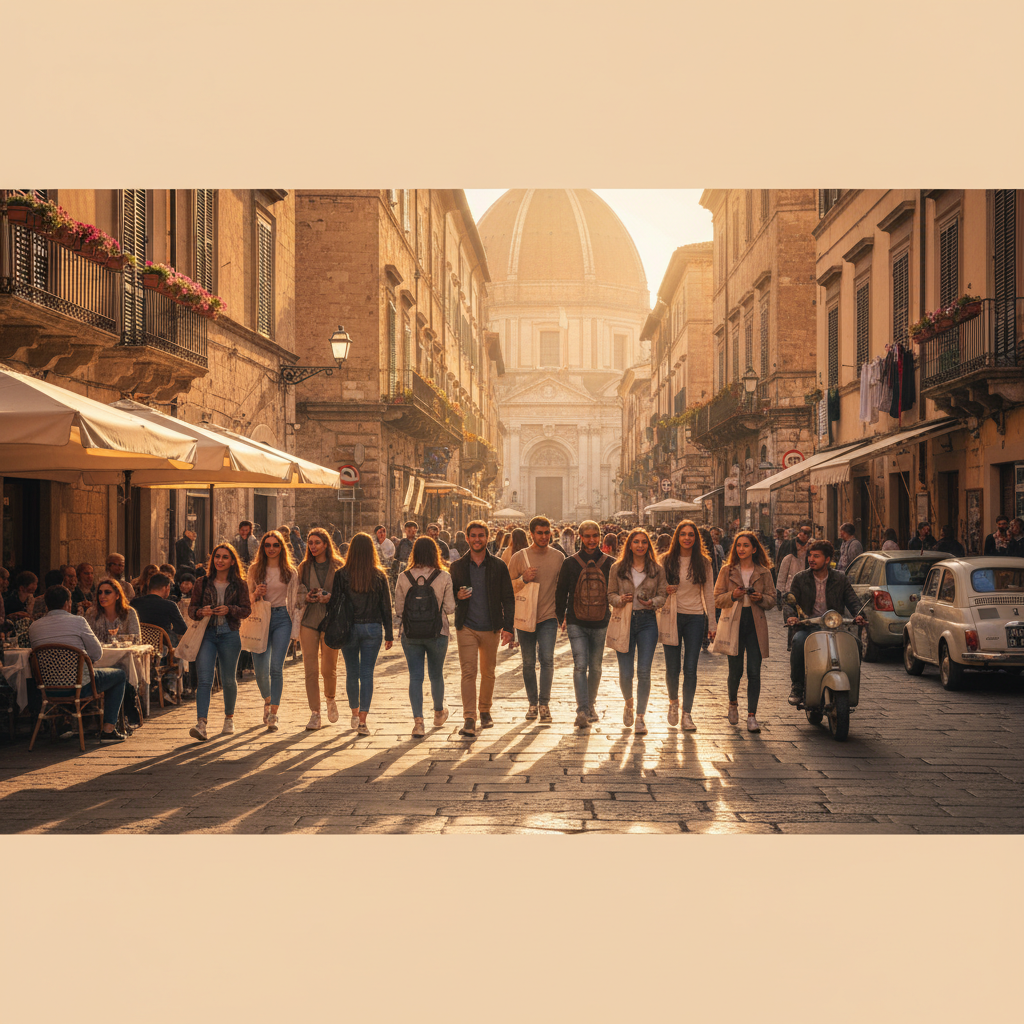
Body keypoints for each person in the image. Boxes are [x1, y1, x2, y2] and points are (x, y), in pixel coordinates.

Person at [29, 585, 128, 743]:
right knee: (120, 674)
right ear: (67, 603)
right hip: (80, 686)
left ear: (47, 605)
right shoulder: (78, 621)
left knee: (88, 675)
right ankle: (108, 730)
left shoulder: (34, 627)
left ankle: (70, 724)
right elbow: (97, 653)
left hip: (47, 689)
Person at [450, 520, 516, 737]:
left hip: (491, 627)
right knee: (468, 672)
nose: (477, 539)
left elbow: (508, 598)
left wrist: (509, 627)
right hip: (466, 626)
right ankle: (469, 717)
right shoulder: (457, 567)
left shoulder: (498, 566)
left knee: (488, 672)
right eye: (473, 536)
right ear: (467, 538)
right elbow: (448, 597)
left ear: (487, 538)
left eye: (481, 535)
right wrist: (457, 596)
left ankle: (485, 710)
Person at [325, 532, 393, 735]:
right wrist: (389, 633)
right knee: (367, 673)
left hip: (349, 628)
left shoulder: (342, 575)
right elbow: (386, 606)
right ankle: (363, 720)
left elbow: (335, 604)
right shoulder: (379, 575)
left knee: (352, 672)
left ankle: (354, 713)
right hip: (372, 628)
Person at [786, 539, 867, 706]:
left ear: (828, 559)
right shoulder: (800, 578)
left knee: (856, 644)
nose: (811, 559)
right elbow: (790, 602)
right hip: (808, 626)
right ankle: (797, 686)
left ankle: (851, 683)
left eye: (816, 556)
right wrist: (792, 616)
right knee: (798, 642)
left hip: (834, 627)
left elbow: (852, 599)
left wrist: (859, 614)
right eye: (810, 555)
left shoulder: (840, 578)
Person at [186, 543, 252, 742]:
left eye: (224, 557)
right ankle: (201, 724)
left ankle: (229, 718)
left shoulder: (239, 584)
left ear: (232, 561)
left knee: (228, 679)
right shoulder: (202, 582)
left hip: (229, 633)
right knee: (205, 679)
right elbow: (192, 609)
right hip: (206, 634)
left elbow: (246, 610)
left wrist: (230, 609)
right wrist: (201, 611)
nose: (220, 560)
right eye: (217, 556)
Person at [713, 530, 776, 733]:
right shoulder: (727, 571)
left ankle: (752, 716)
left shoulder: (764, 572)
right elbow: (717, 599)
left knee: (754, 671)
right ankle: (733, 703)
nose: (741, 549)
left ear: (754, 549)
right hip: (735, 623)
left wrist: (761, 598)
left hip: (755, 624)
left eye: (746, 545)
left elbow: (772, 599)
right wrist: (733, 595)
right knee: (736, 670)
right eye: (738, 545)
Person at [607, 528, 667, 735]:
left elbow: (663, 595)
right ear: (629, 545)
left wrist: (653, 602)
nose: (640, 545)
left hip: (647, 621)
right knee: (626, 672)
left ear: (648, 545)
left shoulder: (656, 569)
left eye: (644, 542)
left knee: (643, 671)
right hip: (624, 621)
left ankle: (640, 716)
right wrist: (619, 599)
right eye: (636, 542)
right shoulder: (617, 568)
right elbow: (610, 594)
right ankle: (629, 703)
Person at [394, 536, 454, 738]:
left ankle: (418, 723)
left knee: (415, 676)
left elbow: (399, 610)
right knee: (436, 674)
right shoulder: (443, 576)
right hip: (438, 632)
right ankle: (438, 712)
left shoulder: (403, 577)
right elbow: (450, 608)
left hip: (411, 633)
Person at [508, 516, 566, 722]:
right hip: (525, 616)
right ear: (531, 534)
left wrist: (563, 614)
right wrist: (523, 579)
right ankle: (532, 703)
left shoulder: (559, 557)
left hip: (548, 617)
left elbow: (563, 588)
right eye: (539, 533)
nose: (543, 536)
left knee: (547, 660)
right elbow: (507, 588)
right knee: (528, 662)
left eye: (547, 532)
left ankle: (544, 704)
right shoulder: (519, 557)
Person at [555, 519, 612, 729]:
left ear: (600, 537)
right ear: (580, 537)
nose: (591, 540)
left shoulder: (610, 563)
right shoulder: (569, 563)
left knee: (595, 666)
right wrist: (560, 617)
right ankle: (582, 709)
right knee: (580, 665)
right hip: (576, 621)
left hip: (601, 621)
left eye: (595, 536)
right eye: (587, 536)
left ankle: (590, 705)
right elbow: (561, 591)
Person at [661, 520, 716, 732]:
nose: (687, 538)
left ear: (696, 538)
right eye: (683, 534)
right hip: (671, 616)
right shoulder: (666, 560)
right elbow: (656, 587)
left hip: (695, 617)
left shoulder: (704, 562)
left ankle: (687, 714)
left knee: (691, 667)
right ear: (677, 537)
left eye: (691, 534)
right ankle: (673, 703)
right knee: (672, 667)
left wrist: (712, 622)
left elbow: (708, 593)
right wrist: (665, 589)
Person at [247, 530, 303, 732]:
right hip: (260, 618)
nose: (271, 548)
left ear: (282, 547)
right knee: (260, 670)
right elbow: (246, 600)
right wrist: (256, 593)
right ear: (263, 548)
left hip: (282, 618)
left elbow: (295, 602)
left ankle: (273, 713)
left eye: (275, 545)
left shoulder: (290, 571)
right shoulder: (255, 570)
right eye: (268, 545)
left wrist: (296, 629)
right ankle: (268, 700)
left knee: (276, 668)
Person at [295, 527, 345, 730]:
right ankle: (315, 713)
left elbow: (346, 594)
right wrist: (306, 597)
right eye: (310, 543)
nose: (313, 546)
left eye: (317, 542)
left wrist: (330, 597)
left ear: (326, 544)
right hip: (309, 620)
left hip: (332, 621)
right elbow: (297, 592)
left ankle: (330, 698)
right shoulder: (304, 567)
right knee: (310, 669)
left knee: (328, 668)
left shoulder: (338, 566)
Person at [132, 572, 188, 642]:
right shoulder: (169, 605)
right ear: (167, 587)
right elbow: (182, 629)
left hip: (140, 642)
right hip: (162, 644)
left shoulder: (134, 603)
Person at [87, 578, 141, 643]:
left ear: (117, 595)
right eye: (100, 593)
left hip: (125, 649)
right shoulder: (92, 613)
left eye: (107, 592)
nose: (102, 596)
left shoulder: (129, 612)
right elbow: (87, 640)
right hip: (99, 649)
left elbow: (136, 640)